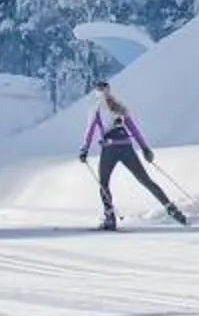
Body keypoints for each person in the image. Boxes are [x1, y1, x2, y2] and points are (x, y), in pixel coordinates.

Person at [79, 80, 187, 230]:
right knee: (146, 180)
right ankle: (173, 210)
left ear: (96, 93)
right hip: (126, 147)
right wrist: (145, 148)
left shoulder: (95, 109)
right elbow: (134, 130)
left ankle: (110, 219)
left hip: (109, 148)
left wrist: (84, 149)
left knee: (104, 184)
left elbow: (90, 131)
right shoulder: (120, 107)